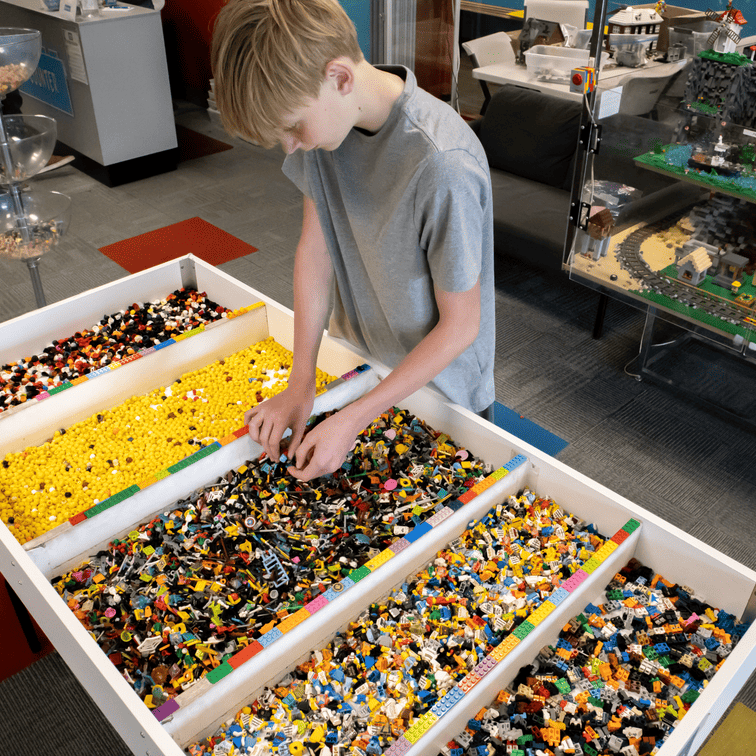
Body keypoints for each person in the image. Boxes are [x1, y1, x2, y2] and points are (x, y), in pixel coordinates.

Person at [211, 0, 495, 481]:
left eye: (292, 126)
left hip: (440, 393)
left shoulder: (444, 164)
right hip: (364, 366)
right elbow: (315, 253)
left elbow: (461, 326)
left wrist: (354, 418)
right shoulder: (327, 126)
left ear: (340, 78)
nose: (291, 146)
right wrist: (301, 381)